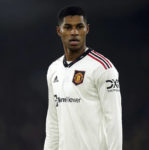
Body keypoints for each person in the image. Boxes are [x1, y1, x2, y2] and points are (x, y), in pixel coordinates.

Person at [44, 6, 122, 150]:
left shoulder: (103, 68)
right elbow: (53, 122)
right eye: (67, 27)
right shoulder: (54, 69)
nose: (74, 32)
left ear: (87, 29)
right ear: (59, 31)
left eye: (79, 27)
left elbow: (114, 121)